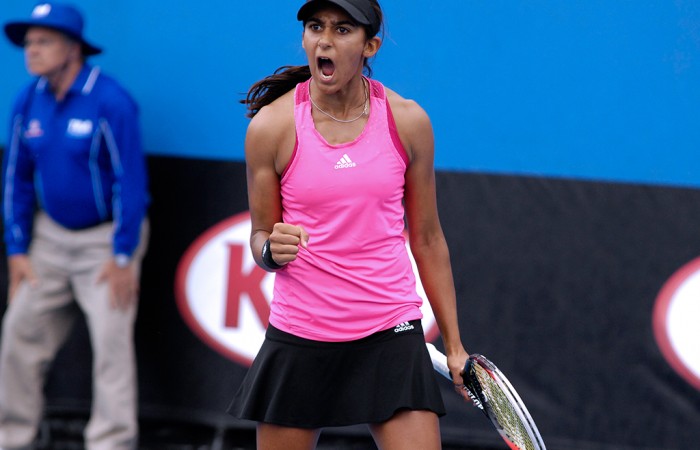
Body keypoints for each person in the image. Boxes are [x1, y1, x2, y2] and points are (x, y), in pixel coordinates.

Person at [228, 1, 470, 448]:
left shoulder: (408, 121)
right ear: (303, 39)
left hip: (390, 331)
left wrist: (454, 344)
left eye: (342, 30)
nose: (325, 39)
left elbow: (428, 238)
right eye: (315, 26)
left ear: (369, 46)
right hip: (302, 333)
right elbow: (261, 236)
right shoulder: (271, 127)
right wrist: (269, 250)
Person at [0, 3, 149, 449]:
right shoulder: (28, 99)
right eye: (28, 42)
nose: (32, 50)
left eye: (43, 41)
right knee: (17, 337)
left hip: (106, 243)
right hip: (48, 240)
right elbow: (15, 180)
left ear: (73, 48)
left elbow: (132, 183)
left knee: (111, 346)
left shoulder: (110, 100)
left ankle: (112, 442)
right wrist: (18, 251)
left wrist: (123, 255)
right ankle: (11, 437)